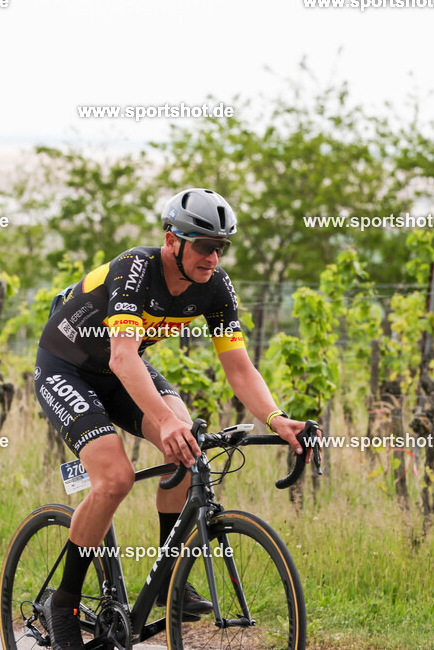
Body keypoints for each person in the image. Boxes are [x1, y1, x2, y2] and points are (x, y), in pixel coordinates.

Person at [33, 189, 315, 648]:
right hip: (68, 368)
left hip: (121, 370)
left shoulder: (216, 286)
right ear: (172, 241)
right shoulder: (135, 270)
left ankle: (169, 584)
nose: (214, 257)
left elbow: (239, 367)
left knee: (189, 445)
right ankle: (61, 603)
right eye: (204, 245)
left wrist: (276, 418)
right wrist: (163, 420)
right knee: (115, 477)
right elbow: (124, 357)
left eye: (221, 247)